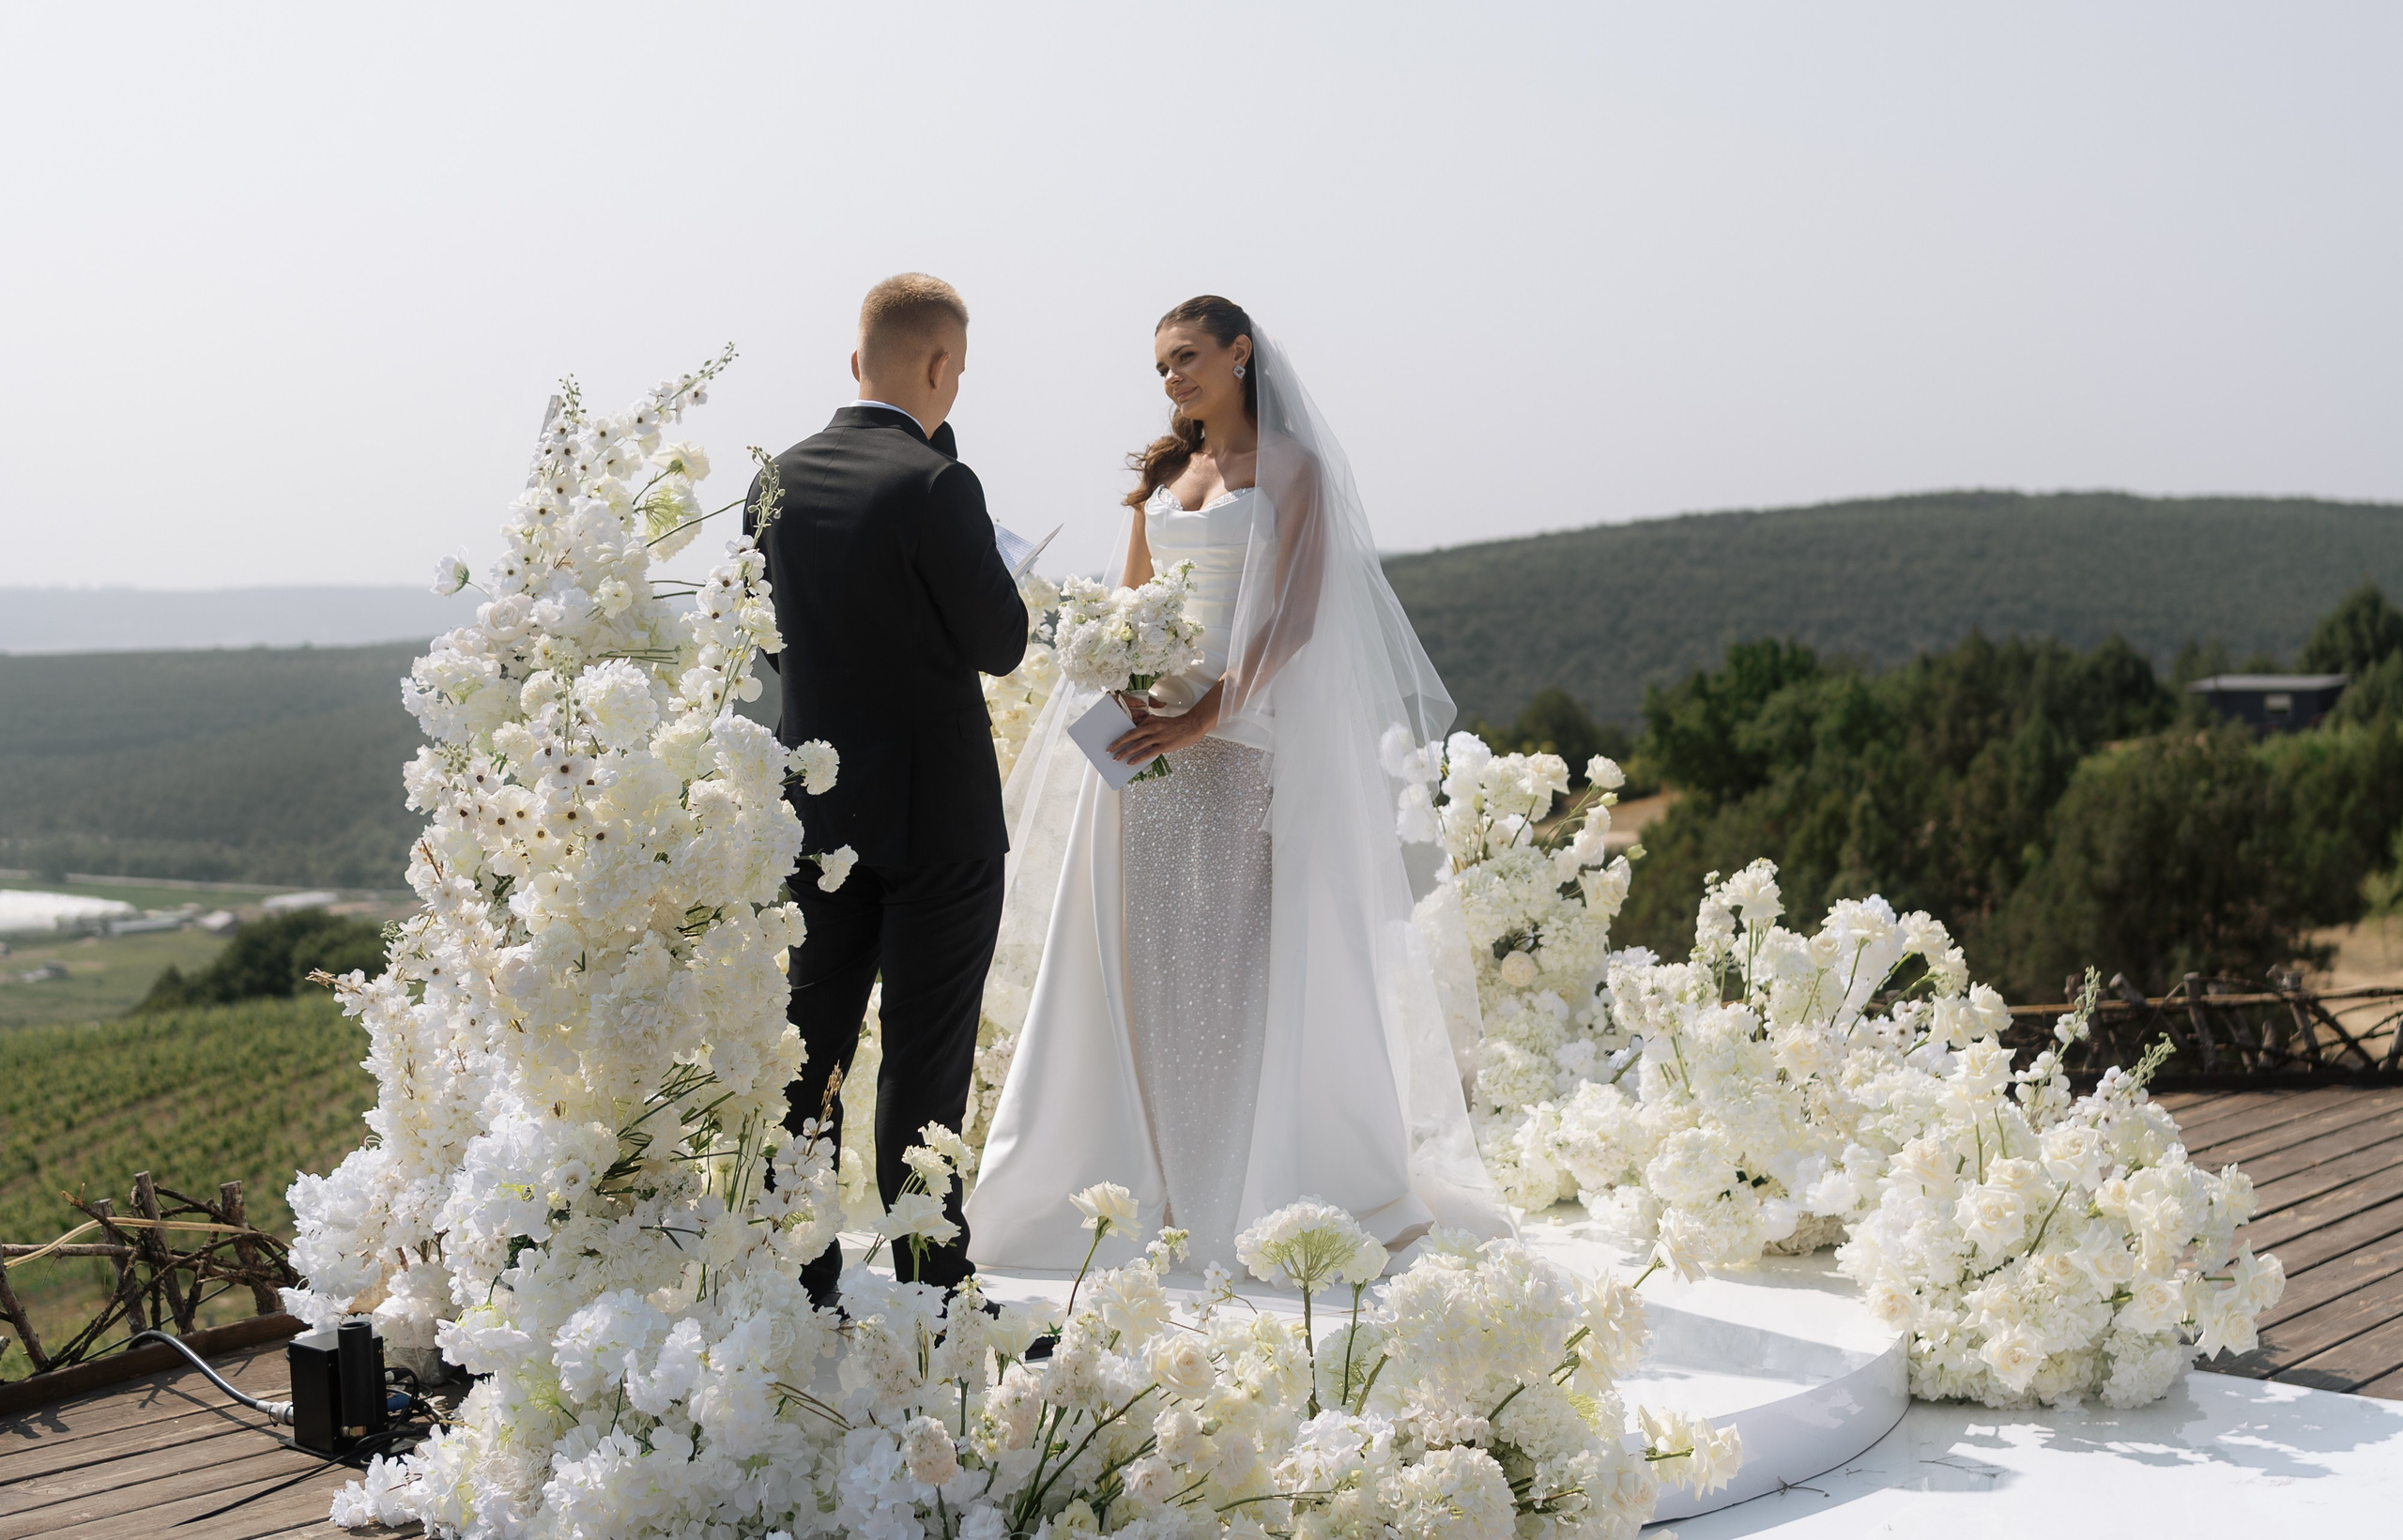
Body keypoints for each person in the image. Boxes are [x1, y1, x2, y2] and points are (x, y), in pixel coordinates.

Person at [965, 297, 1505, 1273]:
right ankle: (1142, 1181)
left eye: (1187, 357)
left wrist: (1205, 715)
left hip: (1240, 737)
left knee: (1226, 968)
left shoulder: (1291, 469)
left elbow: (1294, 619)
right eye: (1162, 366)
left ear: (1239, 353)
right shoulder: (1163, 475)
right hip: (1144, 744)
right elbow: (1129, 601)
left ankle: (1235, 1193)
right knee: (1140, 959)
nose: (1172, 377)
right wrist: (1121, 680)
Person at [745, 273, 1028, 1305]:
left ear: (855, 359)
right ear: (942, 366)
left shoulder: (772, 480)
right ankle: (929, 1287)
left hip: (817, 814)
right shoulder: (936, 483)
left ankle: (797, 1276)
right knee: (922, 1058)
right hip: (936, 818)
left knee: (808, 1048)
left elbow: (769, 639)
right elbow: (1002, 641)